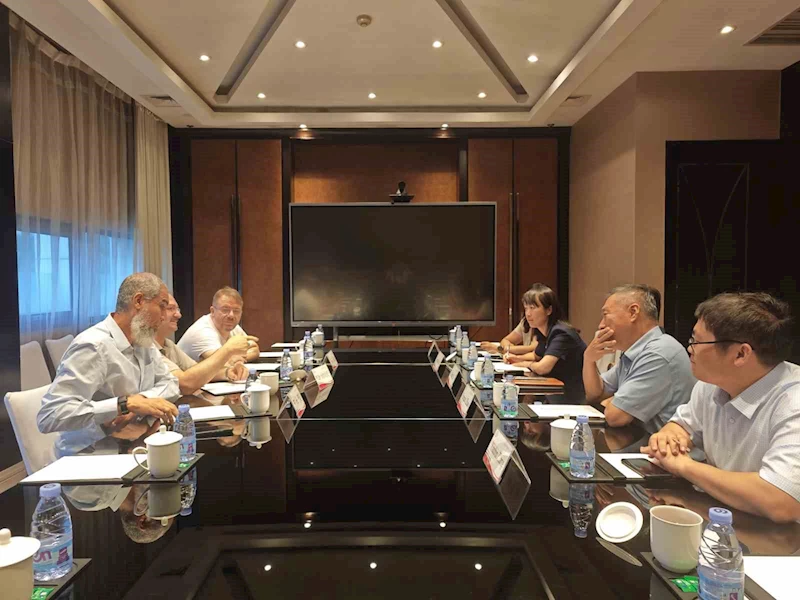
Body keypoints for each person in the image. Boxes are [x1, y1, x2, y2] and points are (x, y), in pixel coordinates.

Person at [643, 292, 800, 523]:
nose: (690, 348)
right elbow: (682, 425)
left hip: (780, 539)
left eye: (696, 341)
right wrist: (669, 437)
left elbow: (781, 500)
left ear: (741, 354)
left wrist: (684, 467)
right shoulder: (712, 384)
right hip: (723, 521)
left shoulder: (793, 403)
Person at [38, 273, 180, 454]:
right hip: (91, 455)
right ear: (138, 301)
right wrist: (122, 405)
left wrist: (141, 401)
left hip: (134, 444)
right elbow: (50, 415)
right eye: (162, 306)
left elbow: (171, 383)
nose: (164, 317)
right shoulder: (94, 345)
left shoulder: (142, 340)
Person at [583, 284, 694, 432]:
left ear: (633, 312)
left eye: (605, 315)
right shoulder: (635, 350)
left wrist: (614, 401)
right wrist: (589, 359)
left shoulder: (658, 353)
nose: (601, 325)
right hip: (638, 439)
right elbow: (596, 394)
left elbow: (615, 417)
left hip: (657, 443)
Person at [503, 284, 587, 404]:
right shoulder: (543, 332)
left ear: (549, 310)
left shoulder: (561, 333)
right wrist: (515, 358)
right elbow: (536, 355)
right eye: (526, 308)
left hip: (571, 397)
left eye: (533, 308)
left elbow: (543, 368)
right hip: (553, 392)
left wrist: (525, 364)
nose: (528, 314)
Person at [155, 294, 255, 394]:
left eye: (177, 309)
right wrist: (228, 350)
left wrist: (227, 372)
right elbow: (185, 384)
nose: (178, 315)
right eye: (170, 308)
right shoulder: (150, 348)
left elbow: (198, 371)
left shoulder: (168, 344)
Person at [177, 287, 261, 362]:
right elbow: (220, 363)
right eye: (225, 310)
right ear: (212, 311)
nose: (231, 315)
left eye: (236, 311)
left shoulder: (232, 326)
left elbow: (255, 350)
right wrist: (235, 358)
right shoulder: (203, 331)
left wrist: (236, 358)